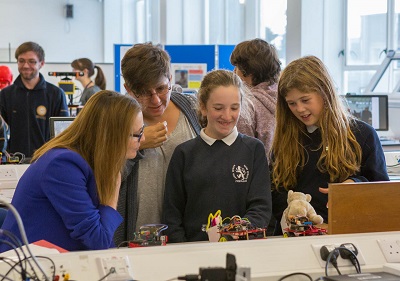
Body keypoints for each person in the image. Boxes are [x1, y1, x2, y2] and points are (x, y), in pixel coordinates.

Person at [0, 90, 144, 252]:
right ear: (113, 135)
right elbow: (99, 241)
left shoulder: (83, 161)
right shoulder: (62, 165)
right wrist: (112, 192)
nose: (143, 139)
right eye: (138, 134)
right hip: (28, 267)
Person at [270, 56, 389, 235]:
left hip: (348, 232)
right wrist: (291, 206)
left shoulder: (362, 135)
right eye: (292, 104)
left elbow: (382, 192)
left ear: (325, 93)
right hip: (296, 234)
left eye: (305, 100)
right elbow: (274, 190)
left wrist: (354, 184)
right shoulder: (285, 139)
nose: (299, 109)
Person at [162, 69, 272, 243]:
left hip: (241, 249)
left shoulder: (253, 150)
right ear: (204, 107)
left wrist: (235, 234)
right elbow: (172, 215)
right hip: (193, 252)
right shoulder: (184, 154)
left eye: (234, 108)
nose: (227, 116)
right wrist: (182, 249)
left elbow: (261, 208)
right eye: (218, 108)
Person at [114, 42, 201, 245]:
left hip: (190, 232)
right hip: (140, 235)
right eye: (144, 93)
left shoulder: (193, 109)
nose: (155, 100)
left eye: (161, 88)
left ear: (170, 79)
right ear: (128, 88)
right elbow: (105, 177)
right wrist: (137, 144)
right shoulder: (117, 120)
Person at [0, 42, 69, 159]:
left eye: (31, 61)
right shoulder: (6, 94)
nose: (26, 65)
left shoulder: (56, 94)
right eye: (21, 61)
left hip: (46, 160)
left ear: (41, 63)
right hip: (13, 161)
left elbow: (64, 134)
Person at [230, 38, 281, 156]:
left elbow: (242, 153)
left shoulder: (246, 105)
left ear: (248, 70)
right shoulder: (285, 97)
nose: (233, 72)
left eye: (237, 67)